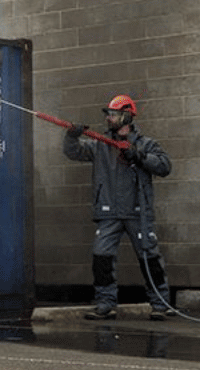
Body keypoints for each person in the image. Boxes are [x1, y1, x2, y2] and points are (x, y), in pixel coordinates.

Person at [63, 95, 173, 321]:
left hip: (137, 212)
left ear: (126, 116)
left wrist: (139, 156)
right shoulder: (100, 145)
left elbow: (164, 166)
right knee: (101, 256)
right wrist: (71, 136)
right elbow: (74, 152)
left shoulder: (146, 144)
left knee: (149, 257)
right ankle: (105, 304)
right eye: (108, 114)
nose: (109, 118)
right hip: (108, 211)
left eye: (113, 114)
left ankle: (160, 304)